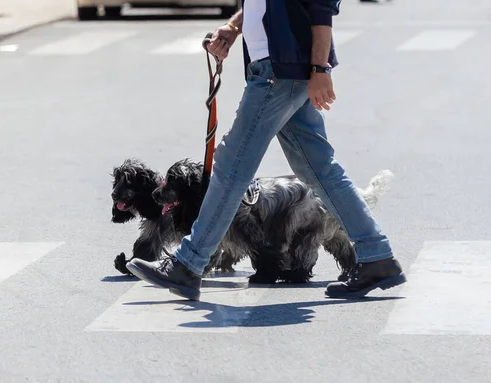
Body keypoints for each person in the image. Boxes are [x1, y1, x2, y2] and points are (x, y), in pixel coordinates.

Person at [126, 0, 406, 301]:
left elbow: (321, 5)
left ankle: (188, 264)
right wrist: (234, 27)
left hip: (280, 71)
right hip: (277, 67)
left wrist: (319, 67)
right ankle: (377, 256)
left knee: (230, 167)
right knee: (319, 169)